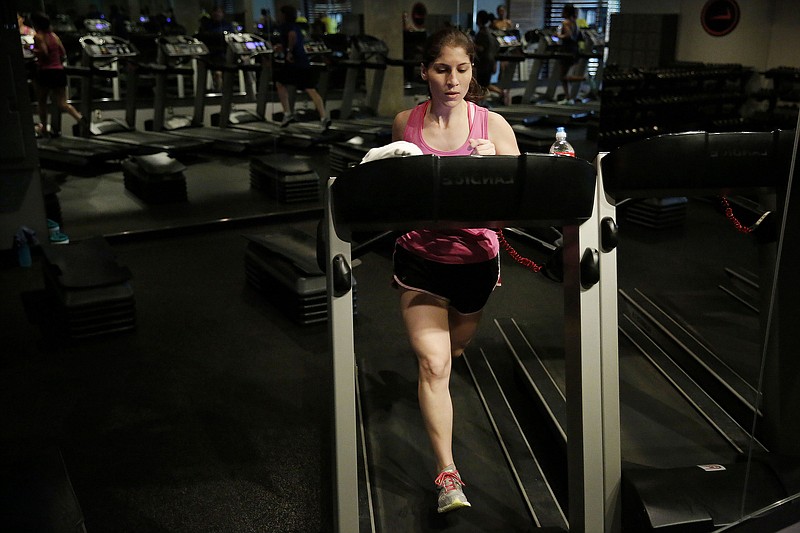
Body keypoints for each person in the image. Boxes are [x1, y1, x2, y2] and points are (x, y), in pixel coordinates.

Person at [390, 26, 519, 514]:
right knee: (434, 363)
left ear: (472, 72)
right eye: (442, 69)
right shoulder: (406, 122)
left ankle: (441, 371)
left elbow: (514, 212)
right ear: (424, 71)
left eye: (462, 69)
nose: (452, 79)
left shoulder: (495, 128)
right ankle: (448, 476)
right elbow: (393, 185)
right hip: (419, 258)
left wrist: (494, 178)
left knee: (456, 349)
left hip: (476, 264)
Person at [273, 5, 330, 129]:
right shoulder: (297, 26)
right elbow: (295, 39)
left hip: (293, 62)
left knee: (279, 83)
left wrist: (288, 51)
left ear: (284, 15)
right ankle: (324, 117)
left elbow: (292, 36)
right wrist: (282, 47)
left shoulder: (286, 26)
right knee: (311, 89)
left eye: (280, 14)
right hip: (303, 61)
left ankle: (287, 113)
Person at [30, 11, 84, 137]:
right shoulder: (54, 36)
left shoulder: (39, 36)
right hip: (59, 71)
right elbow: (62, 52)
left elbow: (44, 52)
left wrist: (32, 49)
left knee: (42, 102)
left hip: (46, 72)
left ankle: (44, 129)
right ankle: (80, 118)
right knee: (62, 103)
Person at [473, 10, 502, 101]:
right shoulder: (489, 33)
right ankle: (501, 93)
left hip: (483, 63)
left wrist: (472, 45)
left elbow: (481, 48)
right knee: (485, 85)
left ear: (479, 19)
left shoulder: (482, 33)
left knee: (482, 86)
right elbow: (496, 46)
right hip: (489, 62)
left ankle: (481, 105)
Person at [556, 3, 582, 104]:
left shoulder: (566, 23)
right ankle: (569, 97)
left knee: (563, 76)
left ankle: (568, 97)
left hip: (567, 50)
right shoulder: (575, 22)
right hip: (575, 49)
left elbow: (568, 35)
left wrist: (558, 35)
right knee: (565, 75)